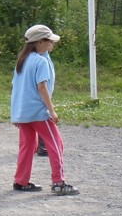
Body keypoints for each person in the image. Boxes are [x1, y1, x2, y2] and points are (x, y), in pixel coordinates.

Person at [10, 24, 79, 195]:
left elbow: (16, 86)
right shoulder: (40, 61)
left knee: (28, 145)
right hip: (38, 112)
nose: (52, 45)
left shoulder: (23, 60)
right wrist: (52, 111)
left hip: (23, 112)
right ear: (40, 42)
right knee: (56, 144)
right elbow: (42, 87)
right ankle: (59, 182)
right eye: (49, 41)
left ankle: (21, 181)